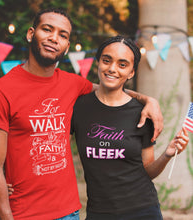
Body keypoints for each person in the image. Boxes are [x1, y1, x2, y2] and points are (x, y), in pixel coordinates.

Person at [0, 9, 163, 220]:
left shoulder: (73, 84)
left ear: (67, 47)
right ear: (31, 34)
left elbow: (112, 88)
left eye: (63, 35)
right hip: (24, 213)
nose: (54, 38)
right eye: (47, 29)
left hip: (69, 212)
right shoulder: (0, 91)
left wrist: (148, 100)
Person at [70, 35, 189, 220]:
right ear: (98, 62)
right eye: (106, 60)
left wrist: (167, 154)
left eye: (122, 64)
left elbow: (148, 171)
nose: (112, 69)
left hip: (142, 210)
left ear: (132, 72)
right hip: (99, 212)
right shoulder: (79, 107)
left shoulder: (143, 113)